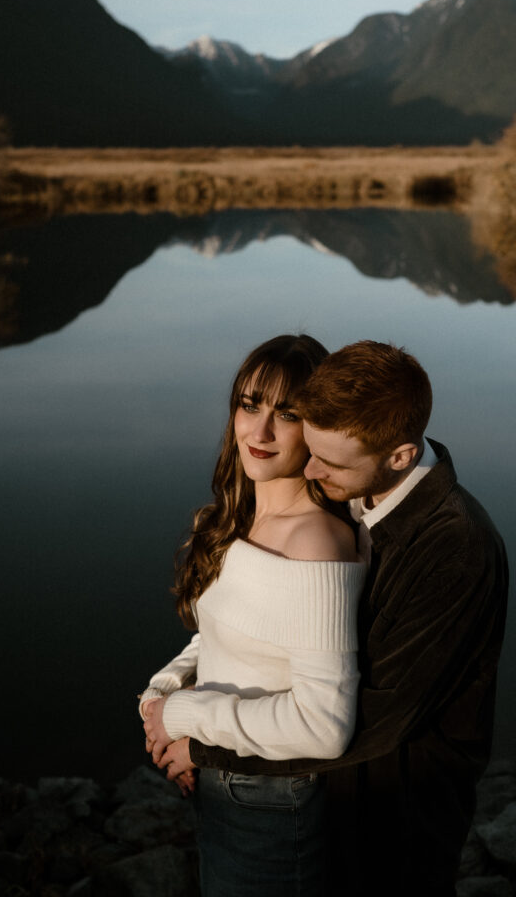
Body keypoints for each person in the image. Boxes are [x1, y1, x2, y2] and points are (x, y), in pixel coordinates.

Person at [158, 340, 509, 896]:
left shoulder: (454, 548)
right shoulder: (359, 489)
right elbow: (261, 628)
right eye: (250, 406)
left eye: (327, 456)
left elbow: (370, 713)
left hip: (400, 809)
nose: (313, 470)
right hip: (325, 788)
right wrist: (168, 690)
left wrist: (199, 738)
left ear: (400, 455)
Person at [139, 334, 366, 896]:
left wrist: (186, 717)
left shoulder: (315, 542)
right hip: (224, 774)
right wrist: (159, 700)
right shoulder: (237, 520)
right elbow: (224, 636)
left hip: (269, 800)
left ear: (317, 426)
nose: (259, 432)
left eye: (286, 414)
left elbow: (324, 727)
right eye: (249, 405)